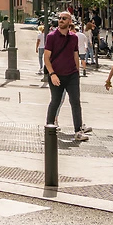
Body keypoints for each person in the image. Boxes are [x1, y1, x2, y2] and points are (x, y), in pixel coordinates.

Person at [43, 11, 90, 140]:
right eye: (60, 18)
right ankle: (49, 128)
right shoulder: (51, 36)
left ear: (70, 21)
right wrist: (52, 74)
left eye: (64, 18)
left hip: (72, 75)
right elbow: (46, 57)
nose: (61, 20)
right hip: (56, 75)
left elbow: (75, 55)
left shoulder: (74, 37)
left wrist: (77, 71)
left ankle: (78, 131)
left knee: (75, 102)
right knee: (55, 101)